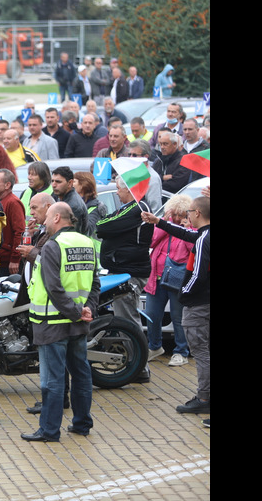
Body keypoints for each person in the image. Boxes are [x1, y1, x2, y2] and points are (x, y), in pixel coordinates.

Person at [20, 202, 99, 442]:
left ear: (56, 218)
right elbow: (95, 283)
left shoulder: (53, 246)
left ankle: (49, 430)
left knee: (52, 380)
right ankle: (82, 423)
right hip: (78, 322)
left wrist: (76, 312)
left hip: (52, 321)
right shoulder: (88, 243)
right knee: (81, 373)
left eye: (47, 218)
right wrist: (87, 310)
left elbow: (53, 287)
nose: (43, 222)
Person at [141, 197, 210, 416]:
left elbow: (198, 273)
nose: (187, 216)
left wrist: (184, 293)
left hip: (199, 303)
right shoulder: (203, 234)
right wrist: (158, 221)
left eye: (189, 211)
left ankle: (204, 397)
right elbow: (185, 233)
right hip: (203, 301)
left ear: (197, 213)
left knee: (200, 351)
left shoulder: (203, 239)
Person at [96, 176, 153, 381]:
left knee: (128, 320)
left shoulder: (137, 208)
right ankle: (136, 363)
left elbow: (104, 226)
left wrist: (105, 226)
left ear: (127, 189)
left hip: (130, 272)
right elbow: (105, 223)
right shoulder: (127, 208)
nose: (117, 194)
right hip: (123, 269)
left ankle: (140, 367)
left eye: (119, 190)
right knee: (125, 317)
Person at [143, 195, 194, 368]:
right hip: (156, 277)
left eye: (181, 215)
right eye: (175, 215)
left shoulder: (190, 230)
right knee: (152, 315)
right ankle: (154, 346)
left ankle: (181, 351)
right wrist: (164, 224)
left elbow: (192, 249)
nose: (178, 219)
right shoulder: (165, 226)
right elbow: (151, 240)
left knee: (178, 317)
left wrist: (188, 228)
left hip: (177, 280)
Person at [0, 169, 25, 274]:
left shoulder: (13, 202)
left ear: (7, 185)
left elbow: (19, 232)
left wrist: (15, 259)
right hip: (0, 259)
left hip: (8, 263)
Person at [50, 167, 89, 236]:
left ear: (70, 183)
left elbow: (71, 235)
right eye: (52, 181)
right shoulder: (57, 196)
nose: (53, 185)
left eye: (58, 182)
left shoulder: (74, 206)